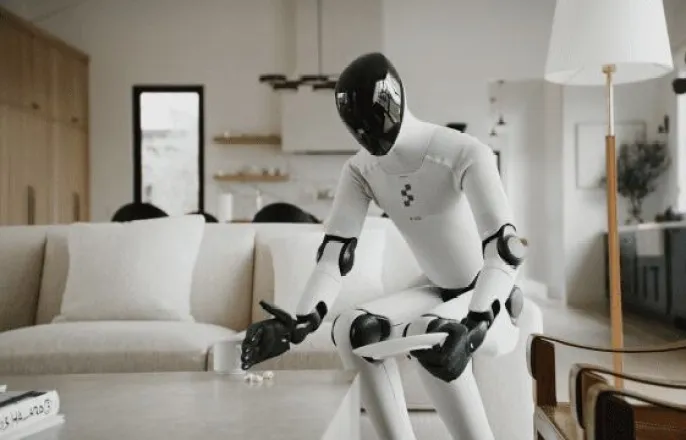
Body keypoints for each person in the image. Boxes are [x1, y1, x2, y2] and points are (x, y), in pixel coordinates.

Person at [240, 52, 528, 440]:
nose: (366, 135)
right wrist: (299, 323)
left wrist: (474, 326)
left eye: (370, 120)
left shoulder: (463, 152)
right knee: (352, 329)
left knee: (432, 332)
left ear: (393, 101)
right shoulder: (361, 170)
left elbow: (504, 252)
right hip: (437, 287)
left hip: (493, 300)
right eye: (357, 127)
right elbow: (334, 255)